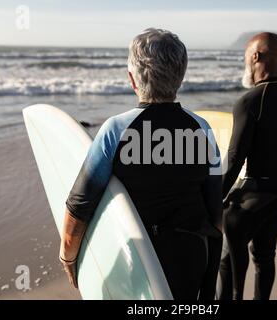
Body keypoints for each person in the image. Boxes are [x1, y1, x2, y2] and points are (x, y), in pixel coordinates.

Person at [59, 28, 223, 300]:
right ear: (180, 78)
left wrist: (68, 257)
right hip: (190, 259)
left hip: (136, 261)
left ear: (132, 79)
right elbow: (215, 214)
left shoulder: (116, 130)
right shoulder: (202, 130)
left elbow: (79, 206)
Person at [216, 32, 277, 300]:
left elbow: (234, 158)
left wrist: (211, 199)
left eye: (245, 58)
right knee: (265, 257)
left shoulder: (249, 100)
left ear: (255, 57)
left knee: (227, 261)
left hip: (250, 199)